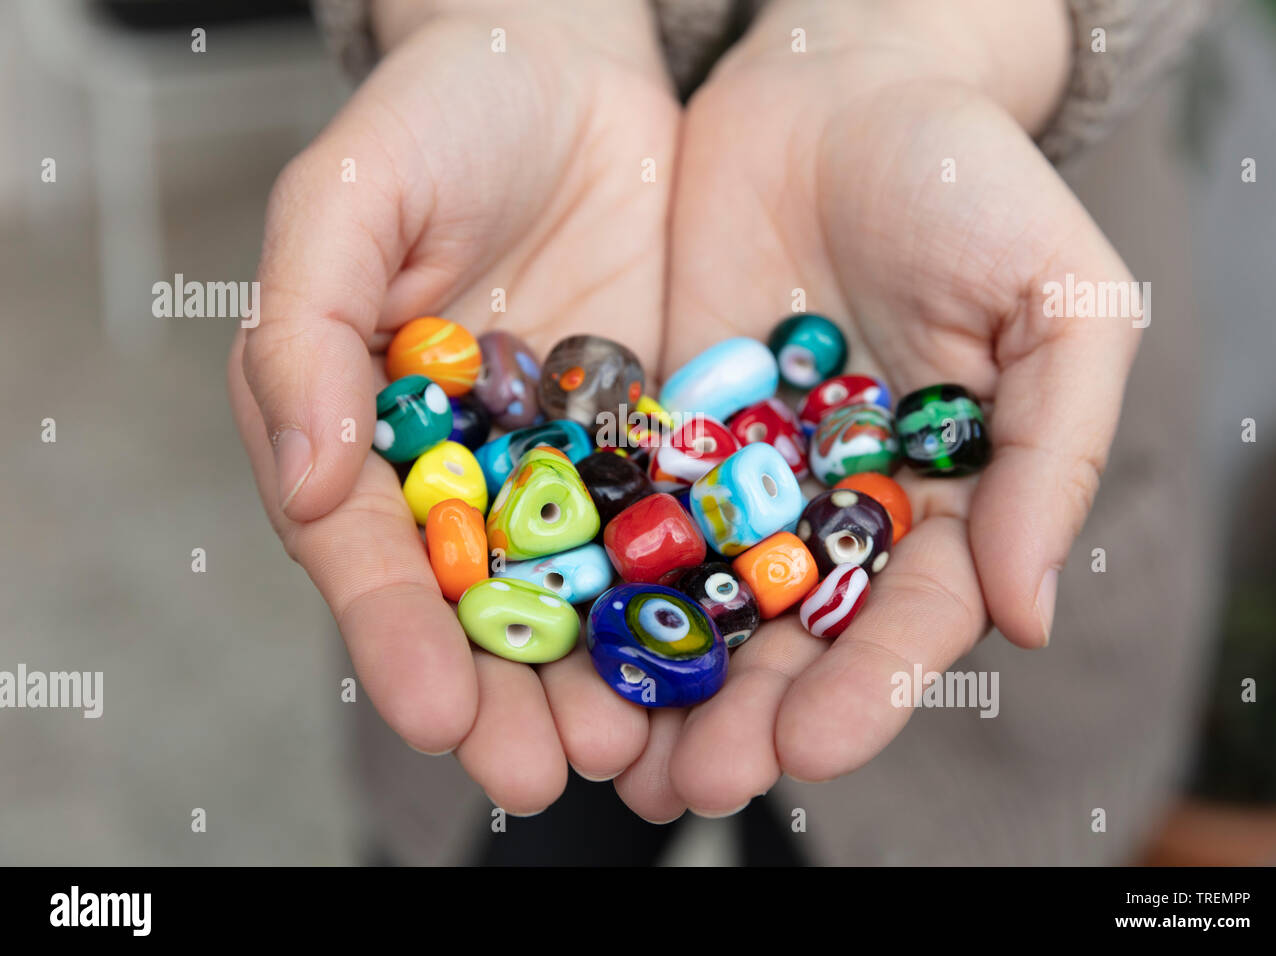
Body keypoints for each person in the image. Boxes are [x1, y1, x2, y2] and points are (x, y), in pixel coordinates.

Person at [228, 0, 1223, 863]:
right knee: (498, 801)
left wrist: (928, 34)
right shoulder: (562, 468)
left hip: (949, 315)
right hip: (521, 256)